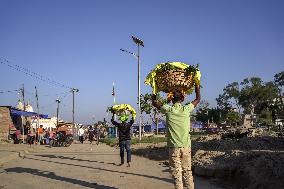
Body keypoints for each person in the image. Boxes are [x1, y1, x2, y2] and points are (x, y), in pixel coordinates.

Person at [152, 85, 200, 189]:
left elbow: (154, 102)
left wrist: (155, 88)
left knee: (177, 174)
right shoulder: (186, 109)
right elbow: (198, 99)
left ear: (171, 99)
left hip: (174, 148)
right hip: (186, 147)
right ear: (182, 99)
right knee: (187, 172)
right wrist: (196, 85)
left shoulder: (168, 109)